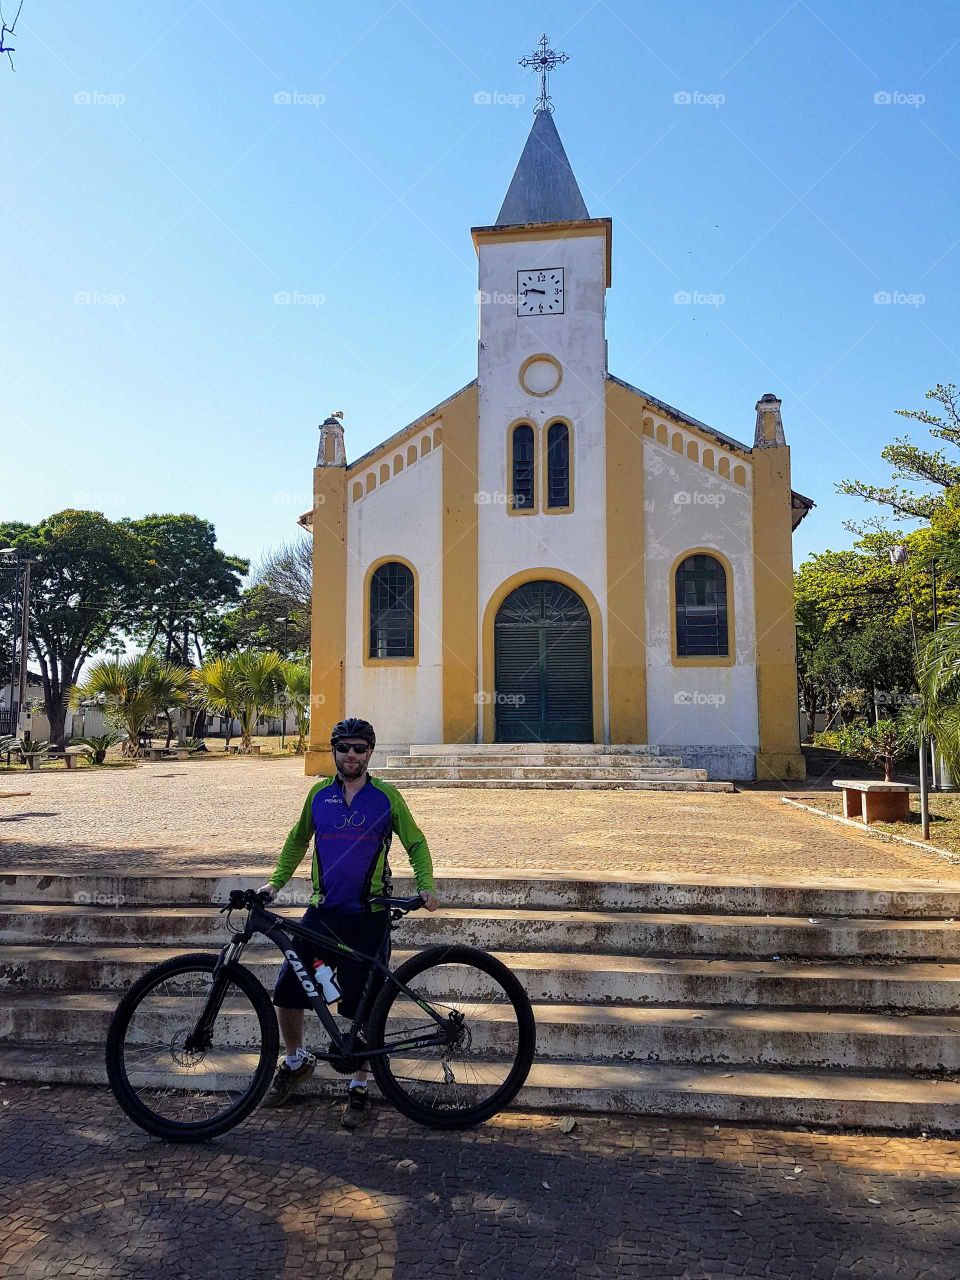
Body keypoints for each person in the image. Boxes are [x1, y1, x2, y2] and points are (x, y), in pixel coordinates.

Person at [258, 717, 438, 1128]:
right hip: (322, 914)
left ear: (370, 752)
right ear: (334, 752)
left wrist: (426, 885)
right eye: (343, 748)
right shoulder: (319, 795)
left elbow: (416, 841)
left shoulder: (386, 797)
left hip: (368, 917)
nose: (351, 755)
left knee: (362, 1006)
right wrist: (274, 883)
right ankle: (296, 1059)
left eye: (359, 748)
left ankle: (359, 1088)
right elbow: (296, 840)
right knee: (288, 989)